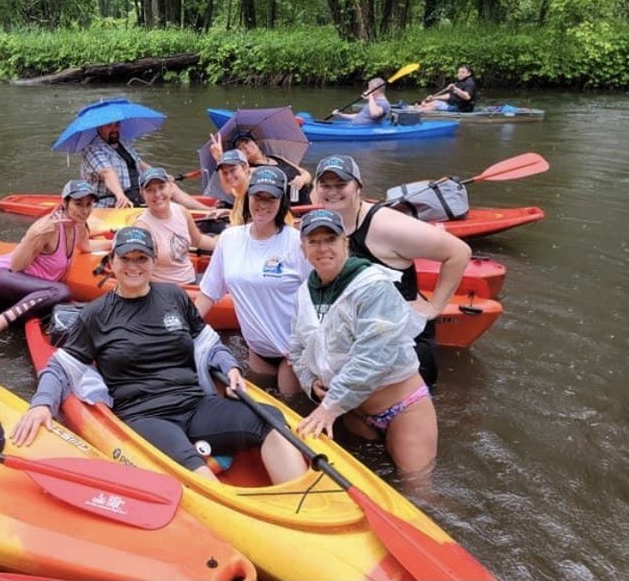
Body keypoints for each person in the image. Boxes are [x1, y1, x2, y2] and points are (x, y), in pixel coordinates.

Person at [10, 226, 308, 484]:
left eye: (141, 258)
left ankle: (301, 504)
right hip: (144, 414)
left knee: (270, 419)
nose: (133, 266)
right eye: (125, 258)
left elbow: (210, 344)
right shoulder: (95, 315)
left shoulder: (174, 297)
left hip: (194, 404)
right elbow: (60, 367)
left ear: (153, 262)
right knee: (190, 466)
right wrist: (42, 405)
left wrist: (230, 368)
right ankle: (228, 505)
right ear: (112, 262)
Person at [290, 209, 438, 477]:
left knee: (417, 488)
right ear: (303, 249)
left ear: (345, 242)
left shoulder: (373, 286)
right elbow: (297, 348)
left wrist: (329, 407)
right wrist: (309, 382)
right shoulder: (304, 293)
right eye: (313, 241)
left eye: (330, 239)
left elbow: (373, 357)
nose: (323, 248)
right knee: (364, 476)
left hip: (401, 407)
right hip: (353, 412)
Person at [309, 155, 472, 385]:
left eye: (341, 184)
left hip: (405, 348)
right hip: (364, 344)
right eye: (325, 185)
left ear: (358, 187)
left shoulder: (386, 226)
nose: (332, 191)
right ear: (316, 189)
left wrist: (435, 306)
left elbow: (459, 252)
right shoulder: (327, 225)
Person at [196, 166, 311, 396]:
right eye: (258, 196)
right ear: (248, 196)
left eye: (271, 198)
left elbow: (320, 299)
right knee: (258, 406)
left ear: (282, 202)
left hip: (293, 352)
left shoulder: (297, 244)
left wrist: (309, 346)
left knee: (291, 405)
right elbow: (208, 294)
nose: (263, 204)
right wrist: (177, 330)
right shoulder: (229, 239)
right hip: (257, 350)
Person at [0, 179, 96, 362]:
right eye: (78, 204)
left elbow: (86, 246)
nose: (84, 210)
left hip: (23, 295)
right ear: (64, 203)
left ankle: (6, 321)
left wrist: (117, 244)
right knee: (61, 291)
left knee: (66, 299)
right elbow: (16, 266)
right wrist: (34, 235)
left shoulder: (79, 225)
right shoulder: (48, 228)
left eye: (89, 204)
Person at [81, 121, 211, 210]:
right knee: (163, 201)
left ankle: (206, 210)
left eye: (117, 125)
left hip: (137, 195)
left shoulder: (123, 143)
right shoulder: (92, 149)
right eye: (109, 126)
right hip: (112, 202)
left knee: (169, 186)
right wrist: (120, 196)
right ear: (99, 128)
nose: (114, 129)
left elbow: (140, 164)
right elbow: (107, 173)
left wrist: (162, 176)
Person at [134, 167, 217, 285]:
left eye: (161, 187)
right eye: (150, 190)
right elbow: (138, 268)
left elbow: (198, 240)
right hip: (166, 289)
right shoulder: (142, 228)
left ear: (171, 188)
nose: (157, 194)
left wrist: (224, 244)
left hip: (191, 280)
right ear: (143, 194)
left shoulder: (181, 211)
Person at [208, 131, 312, 205]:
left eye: (247, 142)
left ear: (256, 143)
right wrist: (220, 159)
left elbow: (305, 173)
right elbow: (231, 188)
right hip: (292, 207)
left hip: (309, 195)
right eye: (241, 148)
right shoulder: (249, 170)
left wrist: (302, 179)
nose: (246, 148)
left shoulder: (276, 157)